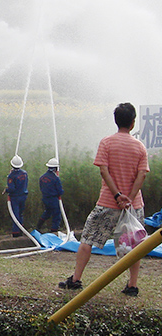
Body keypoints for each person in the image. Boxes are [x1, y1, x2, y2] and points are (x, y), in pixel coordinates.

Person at [59, 103, 149, 296]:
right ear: (133, 123)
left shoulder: (107, 143)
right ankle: (132, 285)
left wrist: (117, 195)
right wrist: (129, 199)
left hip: (108, 202)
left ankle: (76, 279)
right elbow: (142, 174)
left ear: (116, 121)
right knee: (135, 246)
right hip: (133, 207)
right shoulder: (140, 147)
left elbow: (103, 170)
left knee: (88, 239)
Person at [36, 158, 64, 233]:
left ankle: (38, 226)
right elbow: (60, 191)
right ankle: (54, 230)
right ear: (56, 168)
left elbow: (41, 188)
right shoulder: (55, 178)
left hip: (45, 198)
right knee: (56, 214)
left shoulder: (42, 178)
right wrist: (61, 192)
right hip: (53, 199)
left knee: (47, 212)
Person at [4, 155, 28, 237]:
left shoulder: (11, 176)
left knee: (15, 214)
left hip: (15, 197)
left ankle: (16, 232)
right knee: (20, 214)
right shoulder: (24, 173)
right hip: (23, 195)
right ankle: (21, 229)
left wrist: (6, 190)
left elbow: (12, 189)